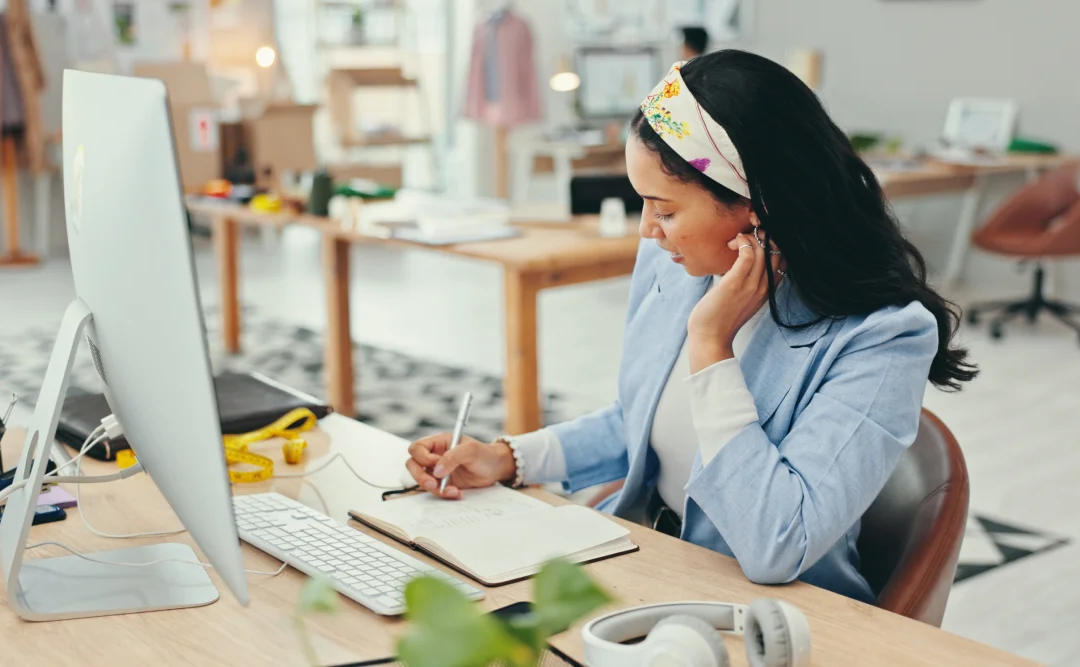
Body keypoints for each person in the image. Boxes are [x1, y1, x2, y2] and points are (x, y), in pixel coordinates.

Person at [404, 50, 977, 603]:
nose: (650, 231)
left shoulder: (882, 336)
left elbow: (777, 545)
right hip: (643, 563)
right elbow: (642, 420)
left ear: (758, 203)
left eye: (667, 209)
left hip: (769, 615)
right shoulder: (677, 264)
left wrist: (710, 346)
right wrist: (510, 457)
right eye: (644, 204)